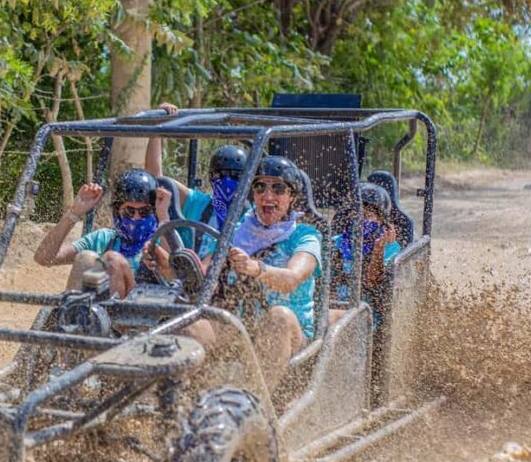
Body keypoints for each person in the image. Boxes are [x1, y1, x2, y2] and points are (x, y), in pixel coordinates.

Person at [219, 156, 322, 385]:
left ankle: (255, 406)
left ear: (292, 196)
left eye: (278, 188)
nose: (268, 196)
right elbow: (206, 269)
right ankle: (177, 408)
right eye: (260, 187)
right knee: (196, 323)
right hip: (240, 327)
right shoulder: (236, 231)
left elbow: (292, 279)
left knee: (279, 317)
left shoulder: (305, 236)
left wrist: (256, 269)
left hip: (291, 335)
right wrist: (167, 263)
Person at [33, 169, 170, 298]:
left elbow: (178, 277)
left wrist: (164, 218)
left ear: (153, 211)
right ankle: (73, 316)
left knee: (112, 260)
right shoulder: (103, 239)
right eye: (129, 211)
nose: (136, 218)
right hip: (95, 317)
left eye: (144, 212)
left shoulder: (160, 241)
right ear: (117, 211)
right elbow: (44, 258)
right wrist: (74, 213)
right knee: (85, 258)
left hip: (142, 317)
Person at [146, 103, 248, 253]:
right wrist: (158, 129)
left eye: (235, 176)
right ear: (210, 178)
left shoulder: (255, 216)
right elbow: (156, 181)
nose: (227, 181)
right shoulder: (199, 203)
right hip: (190, 273)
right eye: (220, 175)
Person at [330, 182, 401, 327]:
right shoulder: (335, 243)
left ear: (381, 220)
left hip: (367, 315)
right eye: (357, 215)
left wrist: (378, 249)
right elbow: (325, 282)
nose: (361, 221)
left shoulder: (390, 248)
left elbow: (373, 282)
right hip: (335, 307)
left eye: (368, 216)